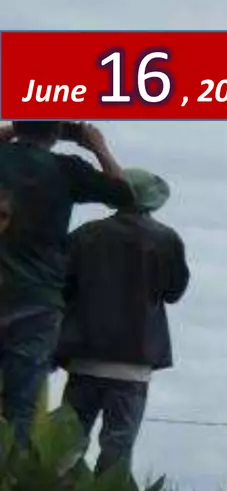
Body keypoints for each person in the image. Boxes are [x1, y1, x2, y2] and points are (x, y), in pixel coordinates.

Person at [0, 121, 132, 450]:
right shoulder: (67, 169)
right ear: (57, 133)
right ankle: (11, 485)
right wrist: (97, 146)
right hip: (37, 300)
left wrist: (9, 132)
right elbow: (124, 195)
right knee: (22, 407)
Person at [54, 168, 188, 478]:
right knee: (117, 450)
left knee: (65, 447)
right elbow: (174, 292)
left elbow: (62, 286)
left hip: (83, 356)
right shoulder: (167, 239)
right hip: (134, 362)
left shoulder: (85, 234)